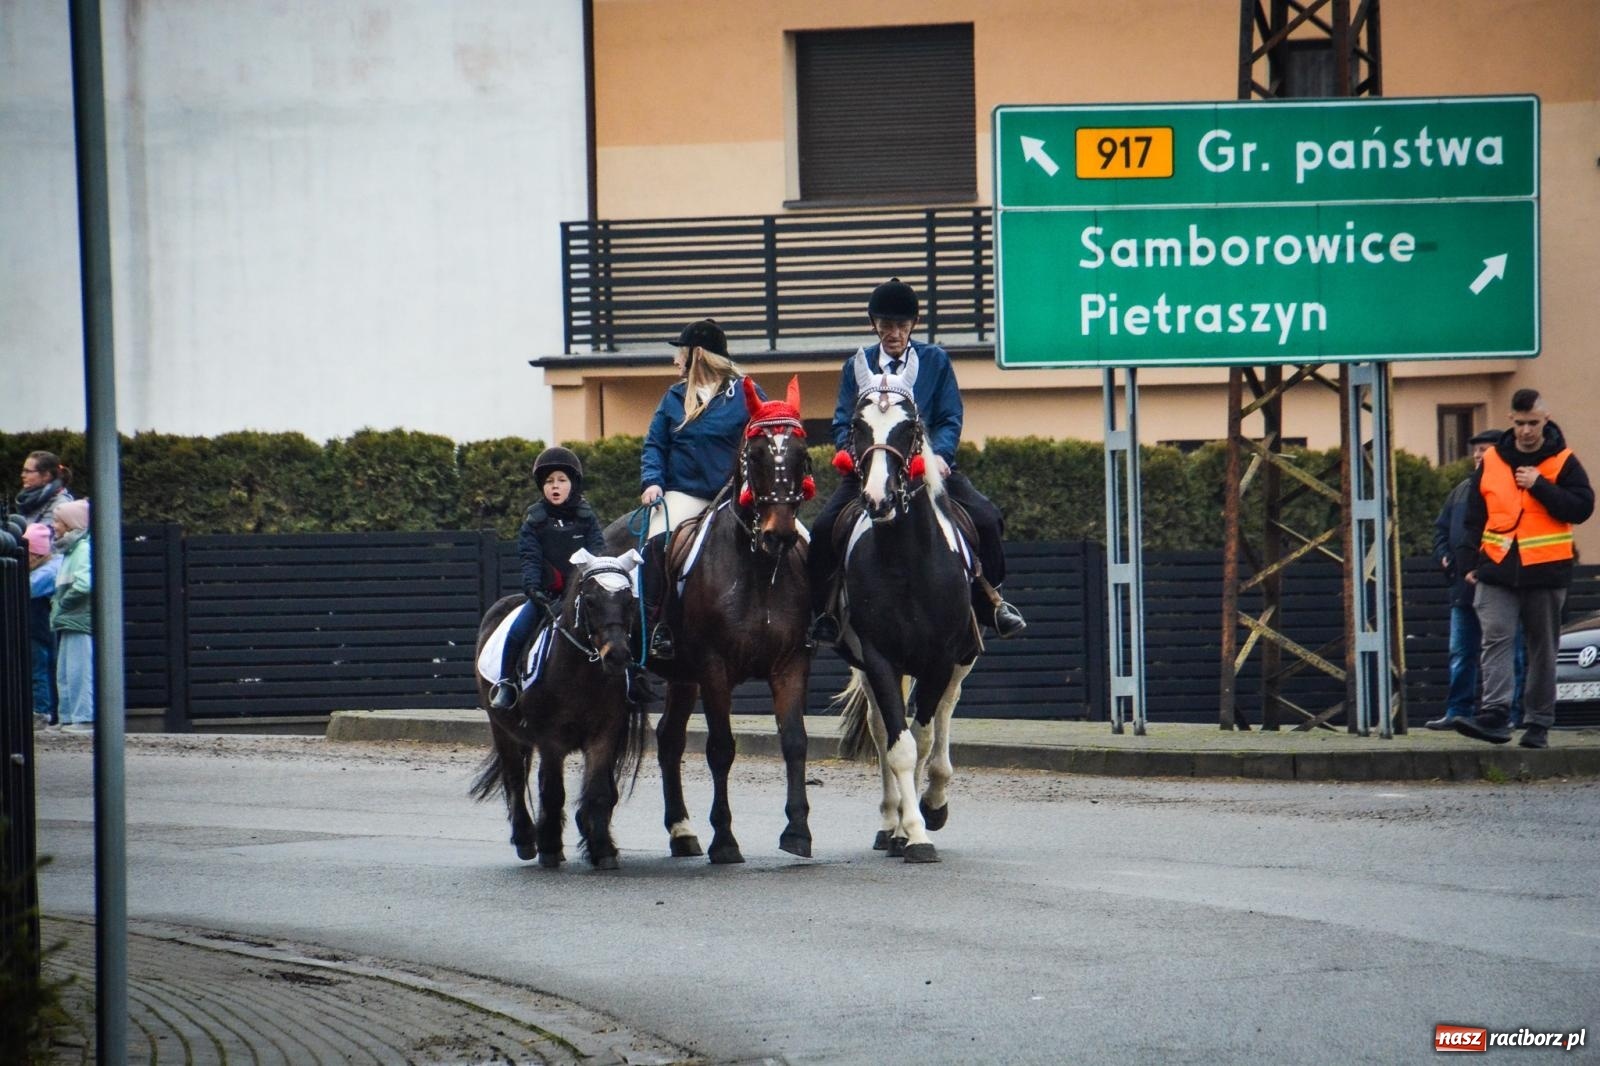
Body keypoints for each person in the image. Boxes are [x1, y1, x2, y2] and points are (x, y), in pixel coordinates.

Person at [807, 278, 1025, 645]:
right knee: (823, 530)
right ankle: (825, 613)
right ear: (873, 324)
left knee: (987, 518)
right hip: (872, 470)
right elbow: (843, 420)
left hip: (926, 470)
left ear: (913, 325)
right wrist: (854, 456)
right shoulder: (855, 367)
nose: (894, 333)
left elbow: (950, 416)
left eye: (902, 326)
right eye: (886, 325)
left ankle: (992, 601)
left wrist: (940, 456)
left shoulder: (935, 361)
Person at [1454, 389, 1594, 749]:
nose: (1526, 431)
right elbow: (1474, 515)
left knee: (1542, 649)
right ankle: (1496, 715)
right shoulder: (1493, 461)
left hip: (1546, 571)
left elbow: (1581, 508)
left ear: (1545, 420)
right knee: (1495, 639)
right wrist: (1469, 562)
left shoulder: (1563, 461)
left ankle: (1537, 723)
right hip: (1497, 568)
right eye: (1520, 424)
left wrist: (1540, 486)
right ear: (1511, 421)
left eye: (1533, 423)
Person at [636, 319, 763, 658]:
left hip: (736, 496)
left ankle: (807, 624)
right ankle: (657, 626)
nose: (675, 360)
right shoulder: (674, 397)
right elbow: (655, 446)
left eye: (680, 352)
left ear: (698, 355)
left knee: (799, 538)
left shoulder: (746, 393)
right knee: (655, 543)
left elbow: (766, 440)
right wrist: (652, 482)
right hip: (686, 494)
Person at [487, 447, 610, 711]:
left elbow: (598, 554)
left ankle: (630, 681)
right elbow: (530, 557)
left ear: (572, 484)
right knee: (518, 630)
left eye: (561, 481)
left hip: (581, 597)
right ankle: (507, 684)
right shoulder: (534, 520)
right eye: (549, 481)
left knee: (615, 624)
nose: (555, 487)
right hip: (547, 596)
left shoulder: (587, 518)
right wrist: (533, 588)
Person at [1428, 429, 1525, 729]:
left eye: (1484, 450)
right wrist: (1444, 554)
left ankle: (1511, 714)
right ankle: (1458, 712)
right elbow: (1441, 530)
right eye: (1475, 451)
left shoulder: (1509, 489)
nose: (1477, 456)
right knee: (1461, 653)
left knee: (1509, 652)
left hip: (1500, 586)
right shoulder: (1461, 490)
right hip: (1463, 589)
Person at [51, 499, 94, 734]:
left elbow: (85, 584)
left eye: (58, 521)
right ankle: (68, 718)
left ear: (71, 524)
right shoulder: (72, 549)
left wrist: (63, 604)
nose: (54, 525)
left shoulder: (83, 549)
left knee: (79, 670)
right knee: (66, 671)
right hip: (70, 618)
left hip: (77, 618)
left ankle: (83, 718)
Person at [25, 522, 62, 730]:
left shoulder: (45, 573)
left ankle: (42, 711)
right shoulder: (54, 565)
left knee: (39, 669)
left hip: (39, 627)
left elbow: (28, 588)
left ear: (37, 554)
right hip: (44, 626)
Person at [16, 450, 75, 530]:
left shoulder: (61, 505)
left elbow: (44, 538)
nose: (22, 475)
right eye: (23, 470)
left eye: (28, 471)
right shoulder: (28, 500)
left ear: (46, 476)